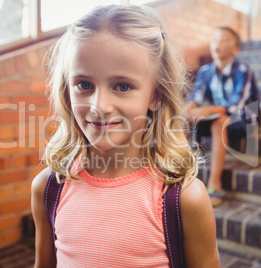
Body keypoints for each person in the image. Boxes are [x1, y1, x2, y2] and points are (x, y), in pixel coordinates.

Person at [32, 5, 220, 268]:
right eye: (84, 85)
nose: (100, 105)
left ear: (156, 95)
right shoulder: (49, 188)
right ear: (66, 91)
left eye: (122, 86)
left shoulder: (184, 200)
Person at [185, 26, 259, 207]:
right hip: (215, 118)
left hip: (241, 122)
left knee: (219, 121)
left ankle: (214, 182)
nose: (218, 42)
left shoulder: (243, 71)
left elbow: (235, 106)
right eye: (215, 39)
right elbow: (196, 97)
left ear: (236, 49)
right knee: (183, 117)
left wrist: (205, 110)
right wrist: (186, 111)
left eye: (224, 39)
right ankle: (182, 174)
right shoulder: (205, 71)